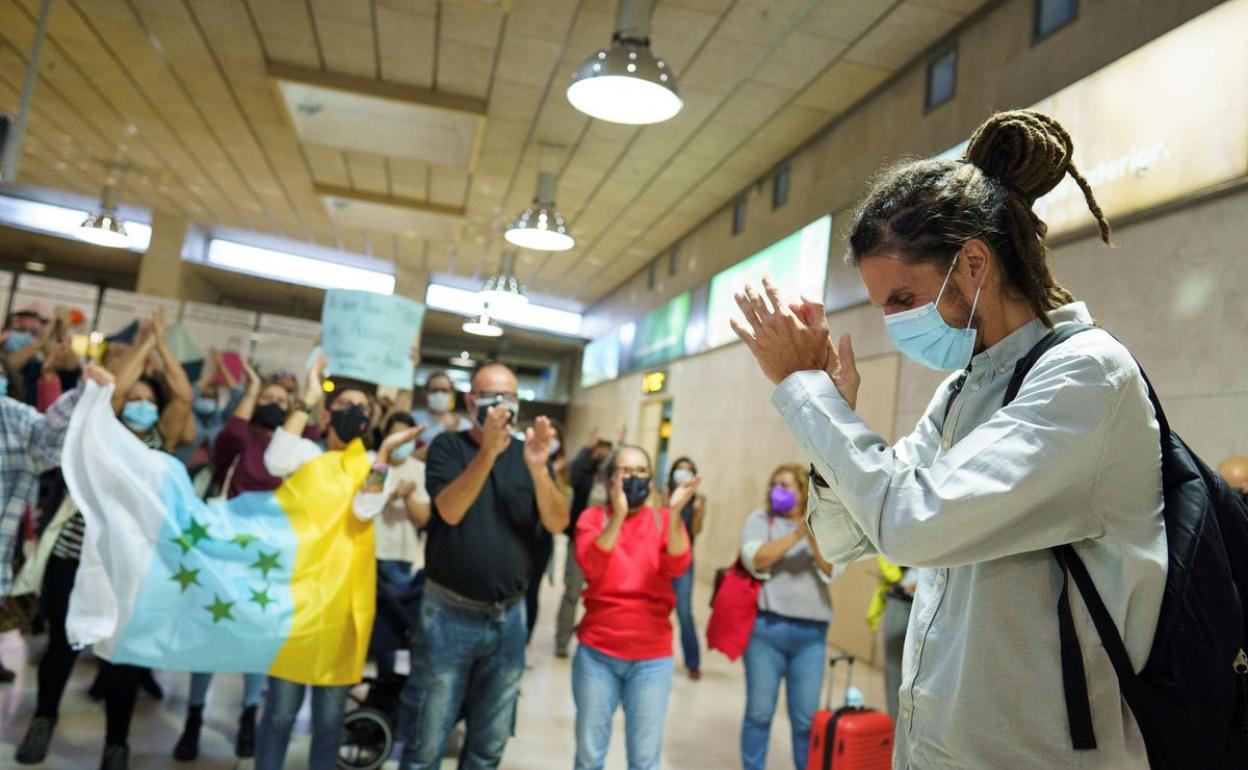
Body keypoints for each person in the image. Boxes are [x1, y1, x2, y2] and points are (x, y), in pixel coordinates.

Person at [731, 110, 1165, 768]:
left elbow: (911, 522)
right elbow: (845, 539)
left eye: (904, 297)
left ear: (972, 264)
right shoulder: (966, 388)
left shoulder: (1085, 376)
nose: (896, 323)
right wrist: (831, 431)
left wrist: (806, 392)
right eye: (884, 306)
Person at [18, 310, 195, 770]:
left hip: (131, 564)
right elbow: (110, 386)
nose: (140, 404)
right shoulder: (104, 429)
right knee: (62, 643)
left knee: (124, 654)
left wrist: (160, 343)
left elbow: (184, 395)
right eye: (132, 398)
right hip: (75, 553)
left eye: (146, 399)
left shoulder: (163, 438)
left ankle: (117, 745)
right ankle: (42, 722)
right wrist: (140, 346)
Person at [398, 361, 569, 770]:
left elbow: (558, 521)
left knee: (489, 745)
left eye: (508, 396)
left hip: (508, 617)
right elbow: (450, 511)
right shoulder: (448, 448)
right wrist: (488, 454)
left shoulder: (528, 455)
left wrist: (539, 468)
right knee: (426, 740)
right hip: (448, 615)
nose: (499, 405)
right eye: (489, 395)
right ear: (471, 400)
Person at [255, 356, 420, 770]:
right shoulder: (307, 454)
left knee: (329, 721)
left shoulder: (370, 466)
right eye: (348, 406)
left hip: (343, 608)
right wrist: (309, 395)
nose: (357, 413)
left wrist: (382, 453)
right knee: (278, 714)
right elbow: (274, 460)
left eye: (364, 409)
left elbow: (366, 508)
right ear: (329, 414)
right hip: (296, 604)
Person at [172, 360, 305, 762]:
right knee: (212, 634)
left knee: (256, 637)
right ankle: (194, 718)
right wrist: (250, 390)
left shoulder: (297, 449)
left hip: (269, 559)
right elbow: (230, 432)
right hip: (227, 553)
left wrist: (303, 400)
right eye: (267, 398)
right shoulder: (238, 440)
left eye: (282, 401)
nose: (274, 404)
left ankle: (250, 714)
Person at [571, 445, 697, 770]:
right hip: (598, 653)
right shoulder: (593, 518)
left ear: (651, 479)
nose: (633, 478)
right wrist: (620, 516)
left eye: (641, 471)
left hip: (651, 659)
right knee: (589, 756)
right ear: (611, 477)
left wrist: (676, 515)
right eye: (625, 470)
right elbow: (592, 567)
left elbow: (678, 565)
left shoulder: (664, 520)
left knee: (644, 759)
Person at [738, 464, 836, 770]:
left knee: (806, 720)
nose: (777, 491)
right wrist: (796, 534)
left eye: (786, 485)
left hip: (811, 638)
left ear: (803, 492)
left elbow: (832, 568)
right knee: (759, 713)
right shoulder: (760, 520)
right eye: (774, 485)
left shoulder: (823, 526)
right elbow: (756, 558)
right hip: (766, 631)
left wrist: (811, 533)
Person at [374, 411, 431, 680]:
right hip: (369, 552)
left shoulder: (418, 470)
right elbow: (363, 505)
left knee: (394, 619)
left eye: (408, 436)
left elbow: (423, 517)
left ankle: (389, 679)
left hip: (401, 555)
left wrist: (406, 498)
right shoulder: (372, 463)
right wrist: (391, 495)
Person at [554, 432, 614, 658]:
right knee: (572, 592)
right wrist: (586, 448)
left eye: (606, 451)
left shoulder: (612, 482)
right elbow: (572, 473)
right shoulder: (584, 473)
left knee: (601, 596)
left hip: (606, 544)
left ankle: (593, 640)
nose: (602, 454)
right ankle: (562, 641)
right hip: (580, 542)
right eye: (598, 450)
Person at [664, 456, 706, 679]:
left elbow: (696, 530)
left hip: (685, 558)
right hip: (661, 555)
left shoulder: (698, 499)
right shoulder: (663, 495)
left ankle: (693, 662)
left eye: (688, 470)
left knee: (684, 611)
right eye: (679, 469)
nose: (683, 473)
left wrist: (698, 510)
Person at [175, 348, 244, 474]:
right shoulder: (188, 415)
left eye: (211, 397)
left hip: (209, 479)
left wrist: (222, 368)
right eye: (203, 396)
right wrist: (212, 373)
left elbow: (237, 395)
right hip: (179, 471)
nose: (207, 400)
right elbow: (188, 395)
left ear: (217, 401)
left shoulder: (221, 419)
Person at [410, 370, 470, 460]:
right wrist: (447, 437)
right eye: (434, 390)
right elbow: (404, 459)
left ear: (452, 393)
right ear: (425, 392)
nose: (439, 394)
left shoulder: (464, 425)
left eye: (444, 391)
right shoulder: (411, 419)